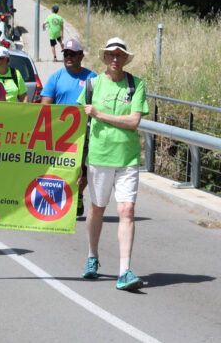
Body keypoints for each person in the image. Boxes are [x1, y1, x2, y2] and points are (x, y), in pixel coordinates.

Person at [78, 37, 148, 291]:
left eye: (120, 55)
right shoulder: (92, 85)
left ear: (125, 59)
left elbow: (133, 122)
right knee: (97, 209)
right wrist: (77, 165)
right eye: (111, 55)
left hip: (128, 159)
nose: (116, 59)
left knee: (126, 211)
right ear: (105, 58)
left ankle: (124, 271)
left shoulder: (135, 85)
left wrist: (99, 114)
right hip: (99, 157)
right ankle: (92, 256)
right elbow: (76, 124)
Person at [42, 38, 96, 216]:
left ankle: (79, 194)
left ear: (81, 56)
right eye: (66, 53)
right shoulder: (55, 77)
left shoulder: (92, 78)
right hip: (60, 134)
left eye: (72, 54)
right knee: (62, 168)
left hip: (85, 132)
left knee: (83, 170)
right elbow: (45, 106)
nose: (68, 57)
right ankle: (60, 201)